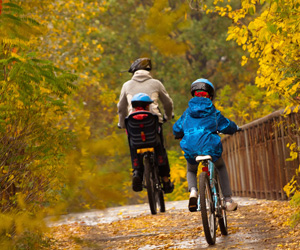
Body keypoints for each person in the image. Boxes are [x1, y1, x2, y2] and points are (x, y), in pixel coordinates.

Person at [173, 78, 239, 212]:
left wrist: (178, 134)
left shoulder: (187, 113)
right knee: (220, 166)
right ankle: (227, 200)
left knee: (191, 169)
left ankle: (193, 192)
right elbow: (226, 125)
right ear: (210, 95)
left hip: (191, 148)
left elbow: (177, 128)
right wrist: (236, 128)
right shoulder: (213, 112)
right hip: (210, 147)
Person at [117, 58, 174, 193]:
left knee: (133, 145)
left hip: (133, 122)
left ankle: (137, 171)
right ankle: (165, 180)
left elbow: (121, 107)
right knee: (160, 147)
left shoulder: (126, 85)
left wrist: (122, 123)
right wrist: (168, 116)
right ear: (148, 70)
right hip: (153, 121)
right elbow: (168, 103)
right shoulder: (156, 83)